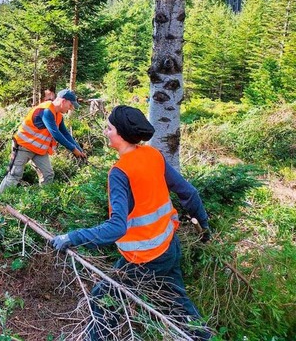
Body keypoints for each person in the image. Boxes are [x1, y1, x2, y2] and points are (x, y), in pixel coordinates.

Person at [51, 105, 211, 340]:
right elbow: (189, 193)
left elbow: (117, 227)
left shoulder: (120, 172)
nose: (106, 132)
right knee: (178, 304)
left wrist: (71, 237)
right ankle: (200, 336)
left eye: (109, 128)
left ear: (121, 134)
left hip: (143, 258)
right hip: (168, 246)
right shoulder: (153, 155)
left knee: (103, 299)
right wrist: (204, 226)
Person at [0, 89, 86, 194]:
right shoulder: (46, 110)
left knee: (48, 174)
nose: (71, 108)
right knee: (15, 174)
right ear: (63, 101)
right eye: (70, 105)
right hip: (23, 146)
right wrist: (73, 149)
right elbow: (56, 134)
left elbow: (66, 134)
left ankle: (42, 199)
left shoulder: (59, 116)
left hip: (39, 150)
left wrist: (80, 150)